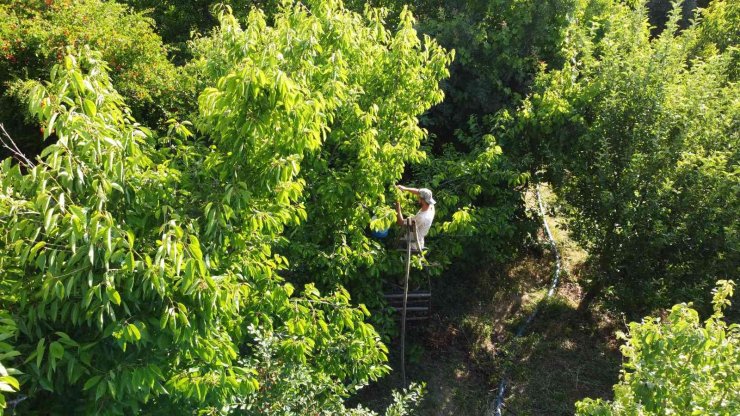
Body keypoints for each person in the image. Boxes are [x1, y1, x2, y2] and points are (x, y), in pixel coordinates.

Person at [395, 184, 435, 250]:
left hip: (413, 244)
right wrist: (405, 188)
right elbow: (418, 191)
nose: (417, 196)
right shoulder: (431, 206)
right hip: (420, 240)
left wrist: (397, 204)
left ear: (421, 200)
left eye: (418, 196)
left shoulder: (421, 217)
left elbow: (400, 222)